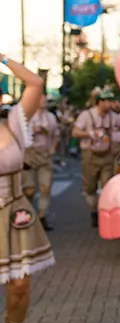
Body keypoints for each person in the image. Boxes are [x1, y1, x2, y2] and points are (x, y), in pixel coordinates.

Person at [0, 53, 52, 323]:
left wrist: (2, 57)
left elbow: (35, 82)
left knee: (19, 283)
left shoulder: (13, 122)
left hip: (13, 211)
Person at [72, 89, 120, 227]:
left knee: (107, 186)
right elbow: (75, 132)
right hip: (90, 155)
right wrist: (90, 133)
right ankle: (93, 212)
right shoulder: (87, 115)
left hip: (107, 156)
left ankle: (105, 214)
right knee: (89, 187)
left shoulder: (114, 116)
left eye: (111, 101)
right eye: (107, 101)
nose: (110, 104)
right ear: (100, 102)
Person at [20, 97, 59, 230]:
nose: (43, 101)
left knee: (45, 186)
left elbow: (56, 134)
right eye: (40, 98)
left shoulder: (51, 117)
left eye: (44, 99)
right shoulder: (27, 115)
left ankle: (42, 216)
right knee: (29, 190)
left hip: (44, 153)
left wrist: (53, 147)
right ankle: (28, 214)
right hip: (29, 154)